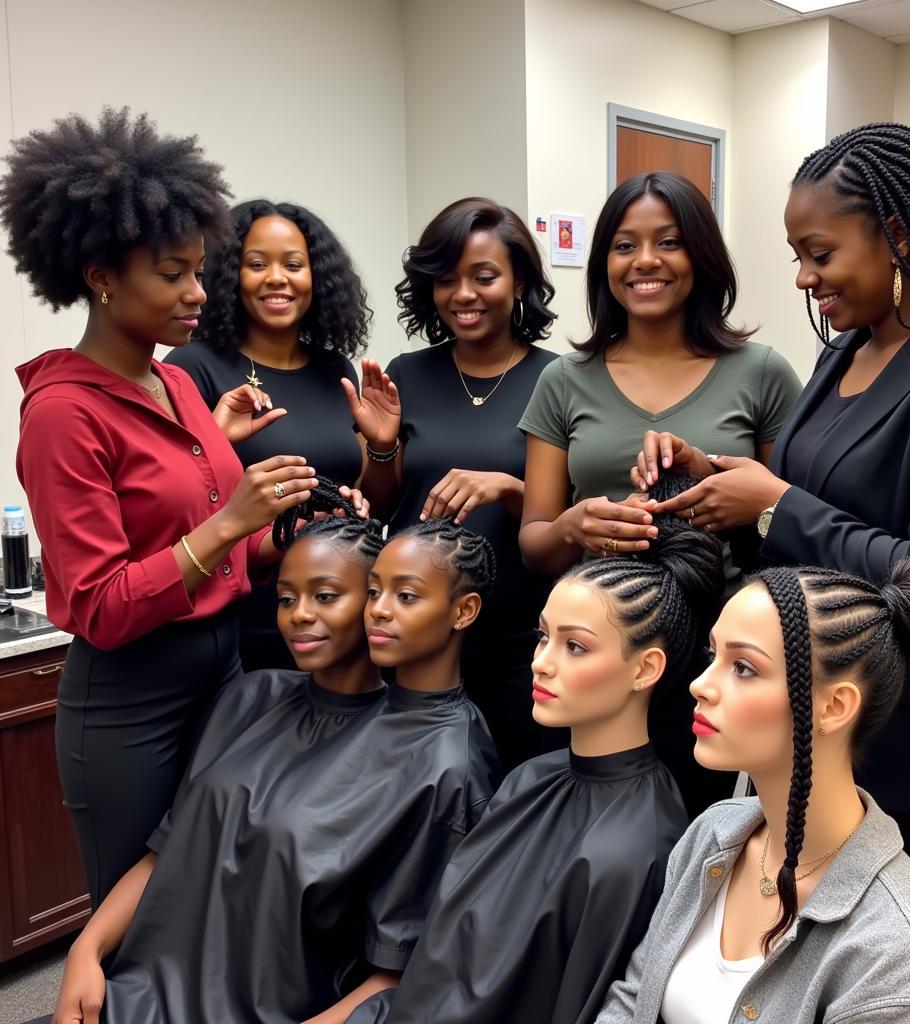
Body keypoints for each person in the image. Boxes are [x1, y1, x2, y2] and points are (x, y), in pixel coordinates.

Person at [636, 122, 910, 989]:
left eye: (818, 252)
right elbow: (822, 502)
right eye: (796, 254)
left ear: (896, 235)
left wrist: (775, 506)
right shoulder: (847, 348)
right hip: (829, 736)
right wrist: (726, 489)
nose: (804, 278)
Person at [4, 108, 317, 907]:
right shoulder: (63, 412)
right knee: (142, 924)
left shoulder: (176, 384)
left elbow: (213, 554)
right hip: (131, 704)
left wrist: (282, 533)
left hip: (223, 675)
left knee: (218, 905)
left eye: (199, 269)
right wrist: (229, 520)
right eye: (172, 272)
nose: (198, 292)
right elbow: (102, 604)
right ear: (102, 276)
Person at [44, 487, 500, 1024]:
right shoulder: (249, 699)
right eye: (286, 599)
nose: (299, 616)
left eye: (328, 596)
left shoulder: (435, 756)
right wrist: (86, 952)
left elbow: (402, 966)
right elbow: (165, 850)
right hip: (136, 992)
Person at [344, 475, 722, 1024]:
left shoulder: (635, 849)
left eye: (575, 646)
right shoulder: (529, 779)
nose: (542, 661)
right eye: (544, 637)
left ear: (646, 668)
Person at [519, 171, 801, 812]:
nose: (645, 262)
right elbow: (535, 543)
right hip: (598, 661)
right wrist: (571, 527)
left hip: (716, 658)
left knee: (706, 836)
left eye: (668, 242)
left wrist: (710, 482)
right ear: (603, 264)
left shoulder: (762, 374)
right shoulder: (565, 381)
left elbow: (792, 524)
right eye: (624, 245)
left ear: (700, 256)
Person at [596, 556, 910, 1024]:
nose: (700, 685)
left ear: (835, 706)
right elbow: (634, 997)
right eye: (712, 657)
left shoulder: (898, 962)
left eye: (744, 668)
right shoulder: (715, 834)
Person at [353, 197, 561, 771]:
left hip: (525, 639)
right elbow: (378, 504)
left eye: (483, 277)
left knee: (517, 800)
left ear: (519, 282)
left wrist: (509, 488)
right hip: (422, 642)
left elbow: (572, 520)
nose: (463, 295)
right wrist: (380, 444)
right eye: (446, 280)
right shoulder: (407, 373)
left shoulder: (558, 379)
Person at [165, 199, 373, 669]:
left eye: (293, 265)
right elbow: (180, 508)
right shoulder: (192, 369)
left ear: (316, 277)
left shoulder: (333, 370)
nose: (276, 278)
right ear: (229, 276)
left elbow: (357, 483)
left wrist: (362, 483)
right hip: (246, 619)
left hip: (339, 618)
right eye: (256, 264)